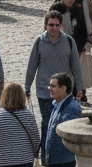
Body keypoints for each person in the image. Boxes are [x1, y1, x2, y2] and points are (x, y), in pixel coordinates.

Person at [25, 12, 83, 140]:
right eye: (51, 25)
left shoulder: (69, 41)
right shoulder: (39, 41)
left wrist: (80, 87)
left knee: (64, 124)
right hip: (45, 90)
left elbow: (76, 67)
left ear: (61, 25)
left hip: (64, 91)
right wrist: (27, 87)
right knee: (47, 123)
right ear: (45, 25)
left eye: (57, 25)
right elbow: (32, 66)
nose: (54, 28)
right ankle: (46, 151)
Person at [42, 73, 81, 167]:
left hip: (63, 160)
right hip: (55, 159)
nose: (49, 88)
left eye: (53, 86)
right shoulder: (58, 104)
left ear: (63, 88)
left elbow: (68, 135)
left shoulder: (71, 108)